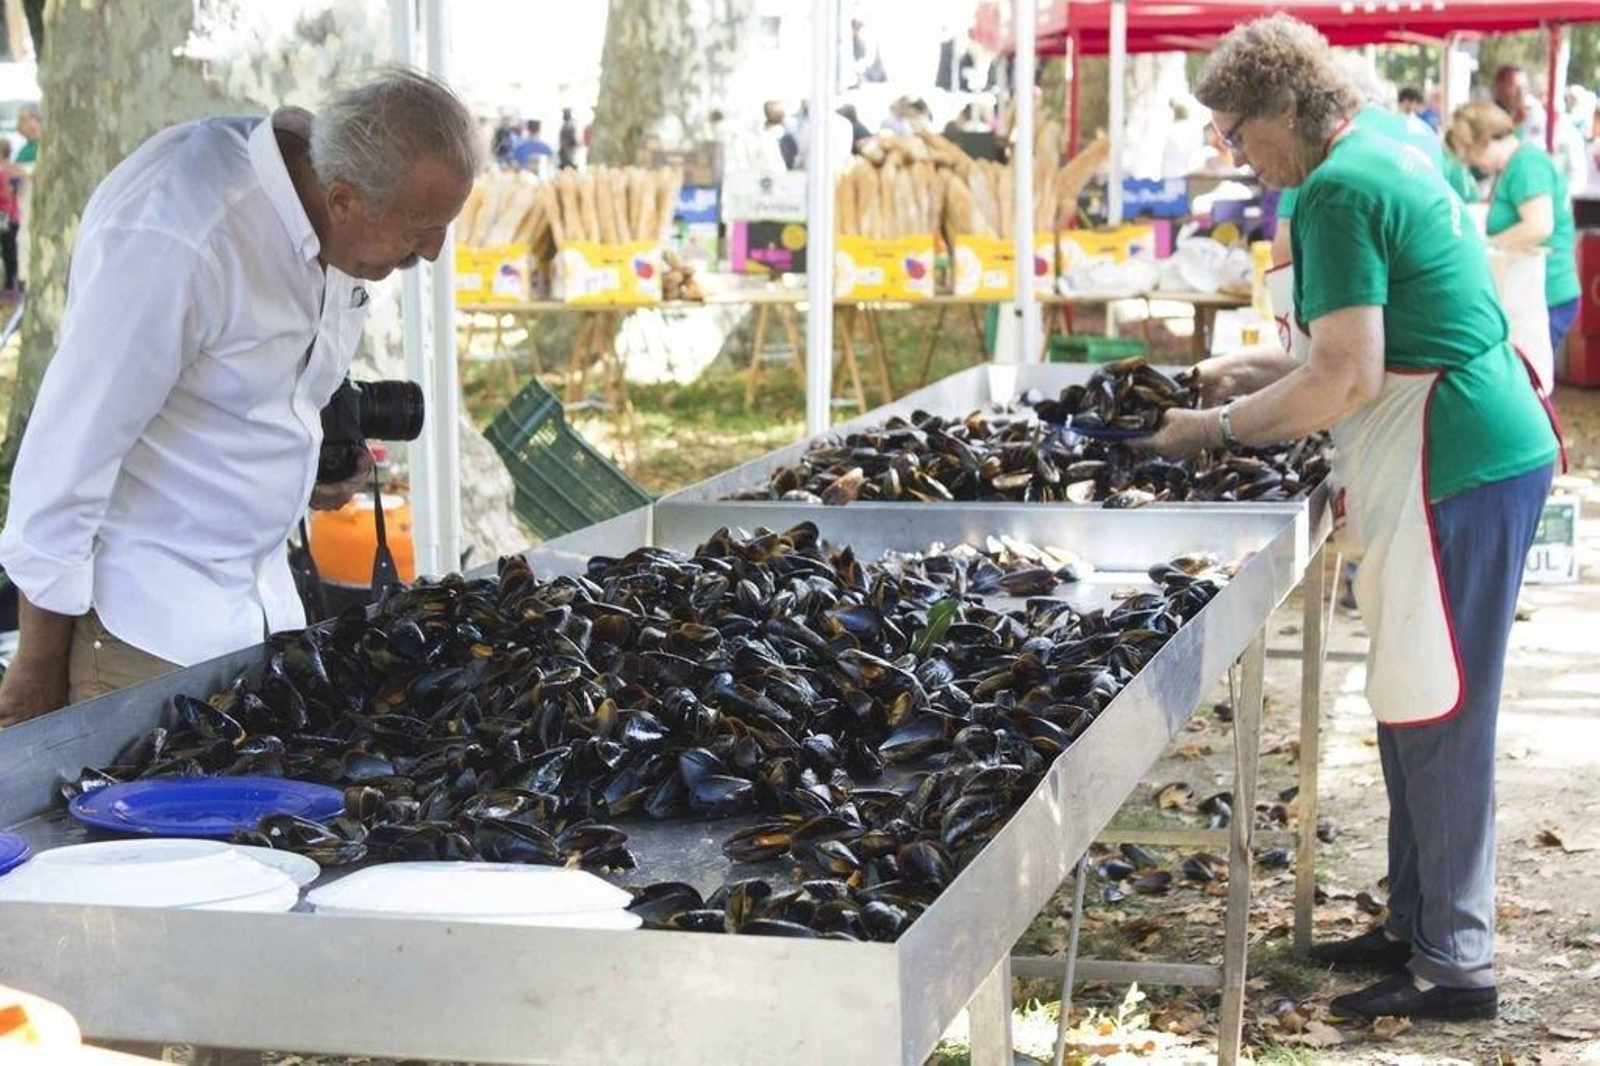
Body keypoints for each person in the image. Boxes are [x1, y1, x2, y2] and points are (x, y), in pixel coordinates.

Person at [1150, 15, 1557, 1022]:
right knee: (1408, 696)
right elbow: (1349, 340)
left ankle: (1455, 965)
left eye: (1237, 134)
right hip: (1462, 440)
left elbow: (1343, 374)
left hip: (1450, 456)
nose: (1234, 157)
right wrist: (1228, 372)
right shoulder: (1385, 142)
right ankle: (1414, 918)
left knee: (1441, 708)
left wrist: (1209, 427)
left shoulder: (1332, 189)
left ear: (1288, 110)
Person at [0, 69, 479, 727]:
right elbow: (65, 460)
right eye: (420, 230)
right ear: (342, 200)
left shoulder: (337, 202)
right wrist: (34, 674)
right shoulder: (179, 234)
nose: (432, 251)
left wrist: (299, 470)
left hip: (266, 624)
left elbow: (249, 394)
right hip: (147, 638)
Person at [1446, 101, 1581, 358]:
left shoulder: (1525, 164)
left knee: (1530, 385)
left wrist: (1487, 246)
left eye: (1472, 153)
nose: (1474, 163)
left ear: (1487, 139)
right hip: (1541, 295)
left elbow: (1539, 225)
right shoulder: (1520, 164)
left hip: (1547, 295)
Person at [1494, 65, 1548, 147]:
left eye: (1525, 87)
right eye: (1515, 87)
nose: (1521, 93)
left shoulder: (1534, 110)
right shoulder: (1488, 112)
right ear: (1500, 87)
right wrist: (1514, 123)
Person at [0, 141, 20, 292]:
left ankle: (9, 283)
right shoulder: (16, 169)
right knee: (11, 248)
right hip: (14, 215)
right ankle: (12, 280)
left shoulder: (2, 171)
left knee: (7, 248)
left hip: (3, 215)